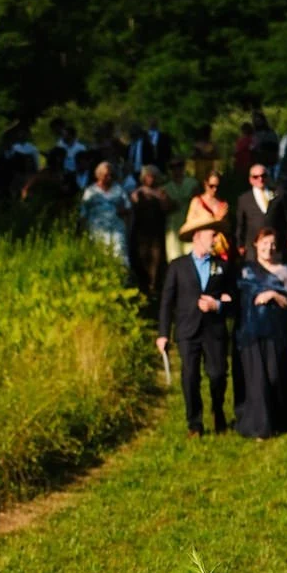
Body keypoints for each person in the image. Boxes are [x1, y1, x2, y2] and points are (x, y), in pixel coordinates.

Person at [154, 221, 235, 436]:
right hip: (187, 330)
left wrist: (217, 305)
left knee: (217, 374)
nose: (216, 239)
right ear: (198, 236)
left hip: (214, 330)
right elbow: (166, 301)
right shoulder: (177, 266)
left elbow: (234, 300)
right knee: (190, 377)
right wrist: (163, 333)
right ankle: (195, 423)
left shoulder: (223, 266)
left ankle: (217, 410)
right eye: (212, 234)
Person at [233, 229, 287, 440]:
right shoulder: (245, 271)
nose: (268, 248)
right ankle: (260, 427)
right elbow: (239, 298)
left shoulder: (283, 271)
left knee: (275, 376)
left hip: (276, 332)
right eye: (264, 243)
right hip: (251, 331)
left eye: (272, 243)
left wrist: (273, 295)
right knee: (257, 380)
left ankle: (280, 420)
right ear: (255, 244)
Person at [78, 160, 133, 278]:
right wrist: (83, 230)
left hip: (116, 228)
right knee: (101, 254)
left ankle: (122, 280)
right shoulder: (90, 191)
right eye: (106, 175)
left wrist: (122, 212)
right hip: (98, 229)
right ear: (99, 176)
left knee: (120, 254)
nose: (109, 177)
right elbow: (83, 212)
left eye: (111, 175)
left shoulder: (119, 189)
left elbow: (128, 208)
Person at [231, 160, 287, 259]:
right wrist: (240, 244)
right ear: (250, 180)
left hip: (274, 246)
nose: (260, 179)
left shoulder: (277, 195)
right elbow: (240, 224)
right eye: (256, 177)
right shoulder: (244, 199)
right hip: (252, 247)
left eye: (263, 176)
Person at [127, 165, 172, 298]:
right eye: (147, 176)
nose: (150, 179)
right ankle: (143, 287)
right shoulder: (137, 193)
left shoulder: (162, 192)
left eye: (153, 176)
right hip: (141, 232)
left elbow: (167, 208)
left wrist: (158, 197)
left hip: (156, 232)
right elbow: (131, 210)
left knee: (157, 259)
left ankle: (155, 287)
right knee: (141, 258)